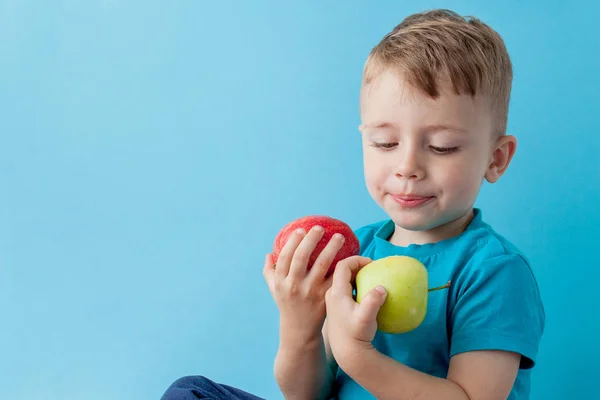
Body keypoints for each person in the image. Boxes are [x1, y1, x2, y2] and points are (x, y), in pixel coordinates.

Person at [161, 8, 545, 400]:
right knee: (190, 393)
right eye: (385, 143)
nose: (407, 167)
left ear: (495, 159)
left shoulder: (493, 271)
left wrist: (358, 356)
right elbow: (306, 394)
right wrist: (299, 325)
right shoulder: (354, 252)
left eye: (441, 147)